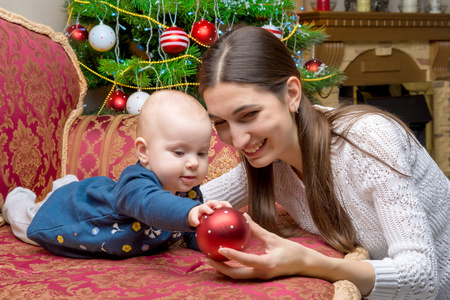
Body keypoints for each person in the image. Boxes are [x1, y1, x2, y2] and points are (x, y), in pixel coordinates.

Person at [198, 26, 450, 300]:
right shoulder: (270, 158)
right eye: (220, 122)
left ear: (292, 94)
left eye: (249, 114)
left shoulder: (369, 138)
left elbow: (422, 280)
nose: (235, 140)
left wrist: (309, 263)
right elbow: (194, 203)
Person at [2, 89, 230, 259]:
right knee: (26, 221)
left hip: (102, 191)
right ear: (144, 152)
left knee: (75, 187)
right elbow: (151, 204)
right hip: (75, 215)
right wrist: (190, 212)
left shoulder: (188, 192)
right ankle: (18, 197)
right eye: (179, 152)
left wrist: (218, 238)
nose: (193, 163)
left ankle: (66, 184)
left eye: (201, 153)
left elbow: (190, 232)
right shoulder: (137, 183)